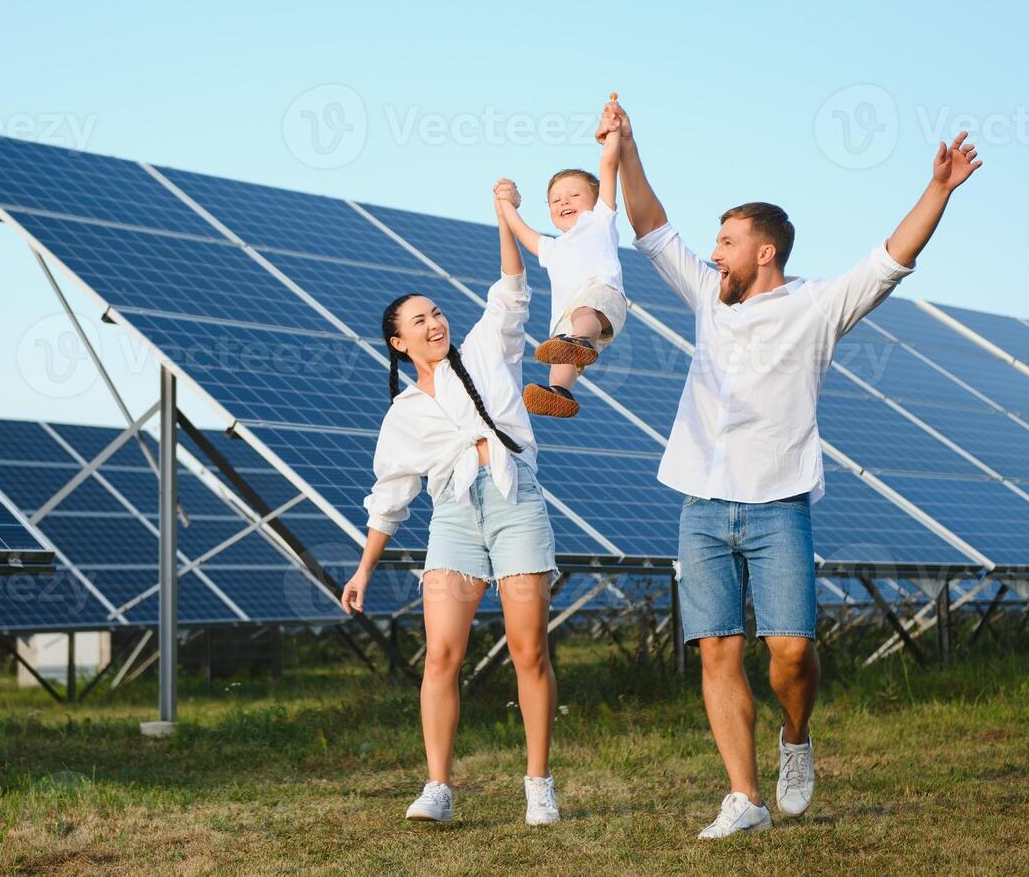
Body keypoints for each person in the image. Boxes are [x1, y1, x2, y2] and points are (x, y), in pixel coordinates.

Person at [610, 98, 983, 839]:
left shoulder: (816, 306)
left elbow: (889, 259)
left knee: (790, 651)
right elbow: (649, 223)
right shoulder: (708, 302)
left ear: (764, 253)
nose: (713, 253)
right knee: (716, 649)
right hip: (701, 505)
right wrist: (625, 146)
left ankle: (794, 737)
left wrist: (936, 190)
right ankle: (743, 799)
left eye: (726, 242)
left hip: (778, 504)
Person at [340, 193, 563, 827]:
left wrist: (504, 221)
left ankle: (538, 784)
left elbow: (511, 288)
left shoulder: (486, 349)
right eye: (419, 320)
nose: (434, 323)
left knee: (528, 651)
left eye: (436, 312)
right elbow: (390, 497)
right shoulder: (404, 413)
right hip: (453, 518)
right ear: (398, 340)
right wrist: (362, 571)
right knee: (441, 655)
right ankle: (438, 786)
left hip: (514, 504)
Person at [494, 100, 629, 419]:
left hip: (602, 299)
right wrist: (506, 202)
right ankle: (560, 392)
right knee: (560, 358)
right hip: (569, 319)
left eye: (574, 195)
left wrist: (610, 133)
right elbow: (520, 230)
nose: (564, 201)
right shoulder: (552, 248)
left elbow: (609, 166)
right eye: (555, 199)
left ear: (596, 201)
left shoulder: (600, 219)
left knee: (582, 317)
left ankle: (580, 340)